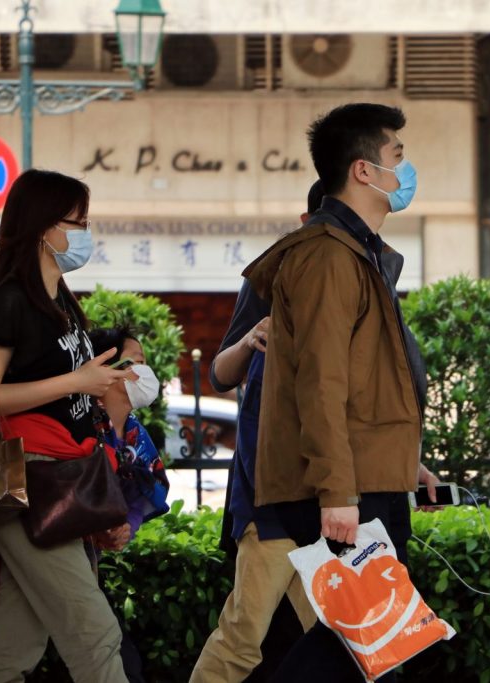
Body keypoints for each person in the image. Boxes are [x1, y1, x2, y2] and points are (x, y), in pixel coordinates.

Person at [243, 103, 438, 682]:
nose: (404, 171)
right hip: (342, 487)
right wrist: (337, 492)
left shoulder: (358, 252)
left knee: (372, 643)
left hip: (359, 478)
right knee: (362, 642)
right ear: (362, 170)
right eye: (397, 157)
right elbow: (321, 383)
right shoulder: (329, 256)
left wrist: (408, 462)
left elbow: (360, 387)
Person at [0, 169, 131, 683]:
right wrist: (75, 381)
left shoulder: (61, 302)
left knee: (14, 646)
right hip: (31, 478)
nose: (84, 233)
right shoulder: (10, 300)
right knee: (94, 633)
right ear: (41, 228)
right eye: (75, 222)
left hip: (60, 479)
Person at [188, 182, 324, 683]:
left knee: (336, 638)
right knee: (245, 636)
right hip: (274, 497)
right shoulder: (273, 277)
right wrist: (250, 339)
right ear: (308, 221)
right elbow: (221, 374)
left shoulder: (367, 274)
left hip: (329, 497)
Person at [88, 326, 172, 683]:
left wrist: (127, 527)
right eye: (138, 362)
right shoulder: (81, 427)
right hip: (63, 550)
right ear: (110, 369)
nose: (146, 372)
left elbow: (141, 493)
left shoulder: (136, 435)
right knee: (114, 653)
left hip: (90, 561)